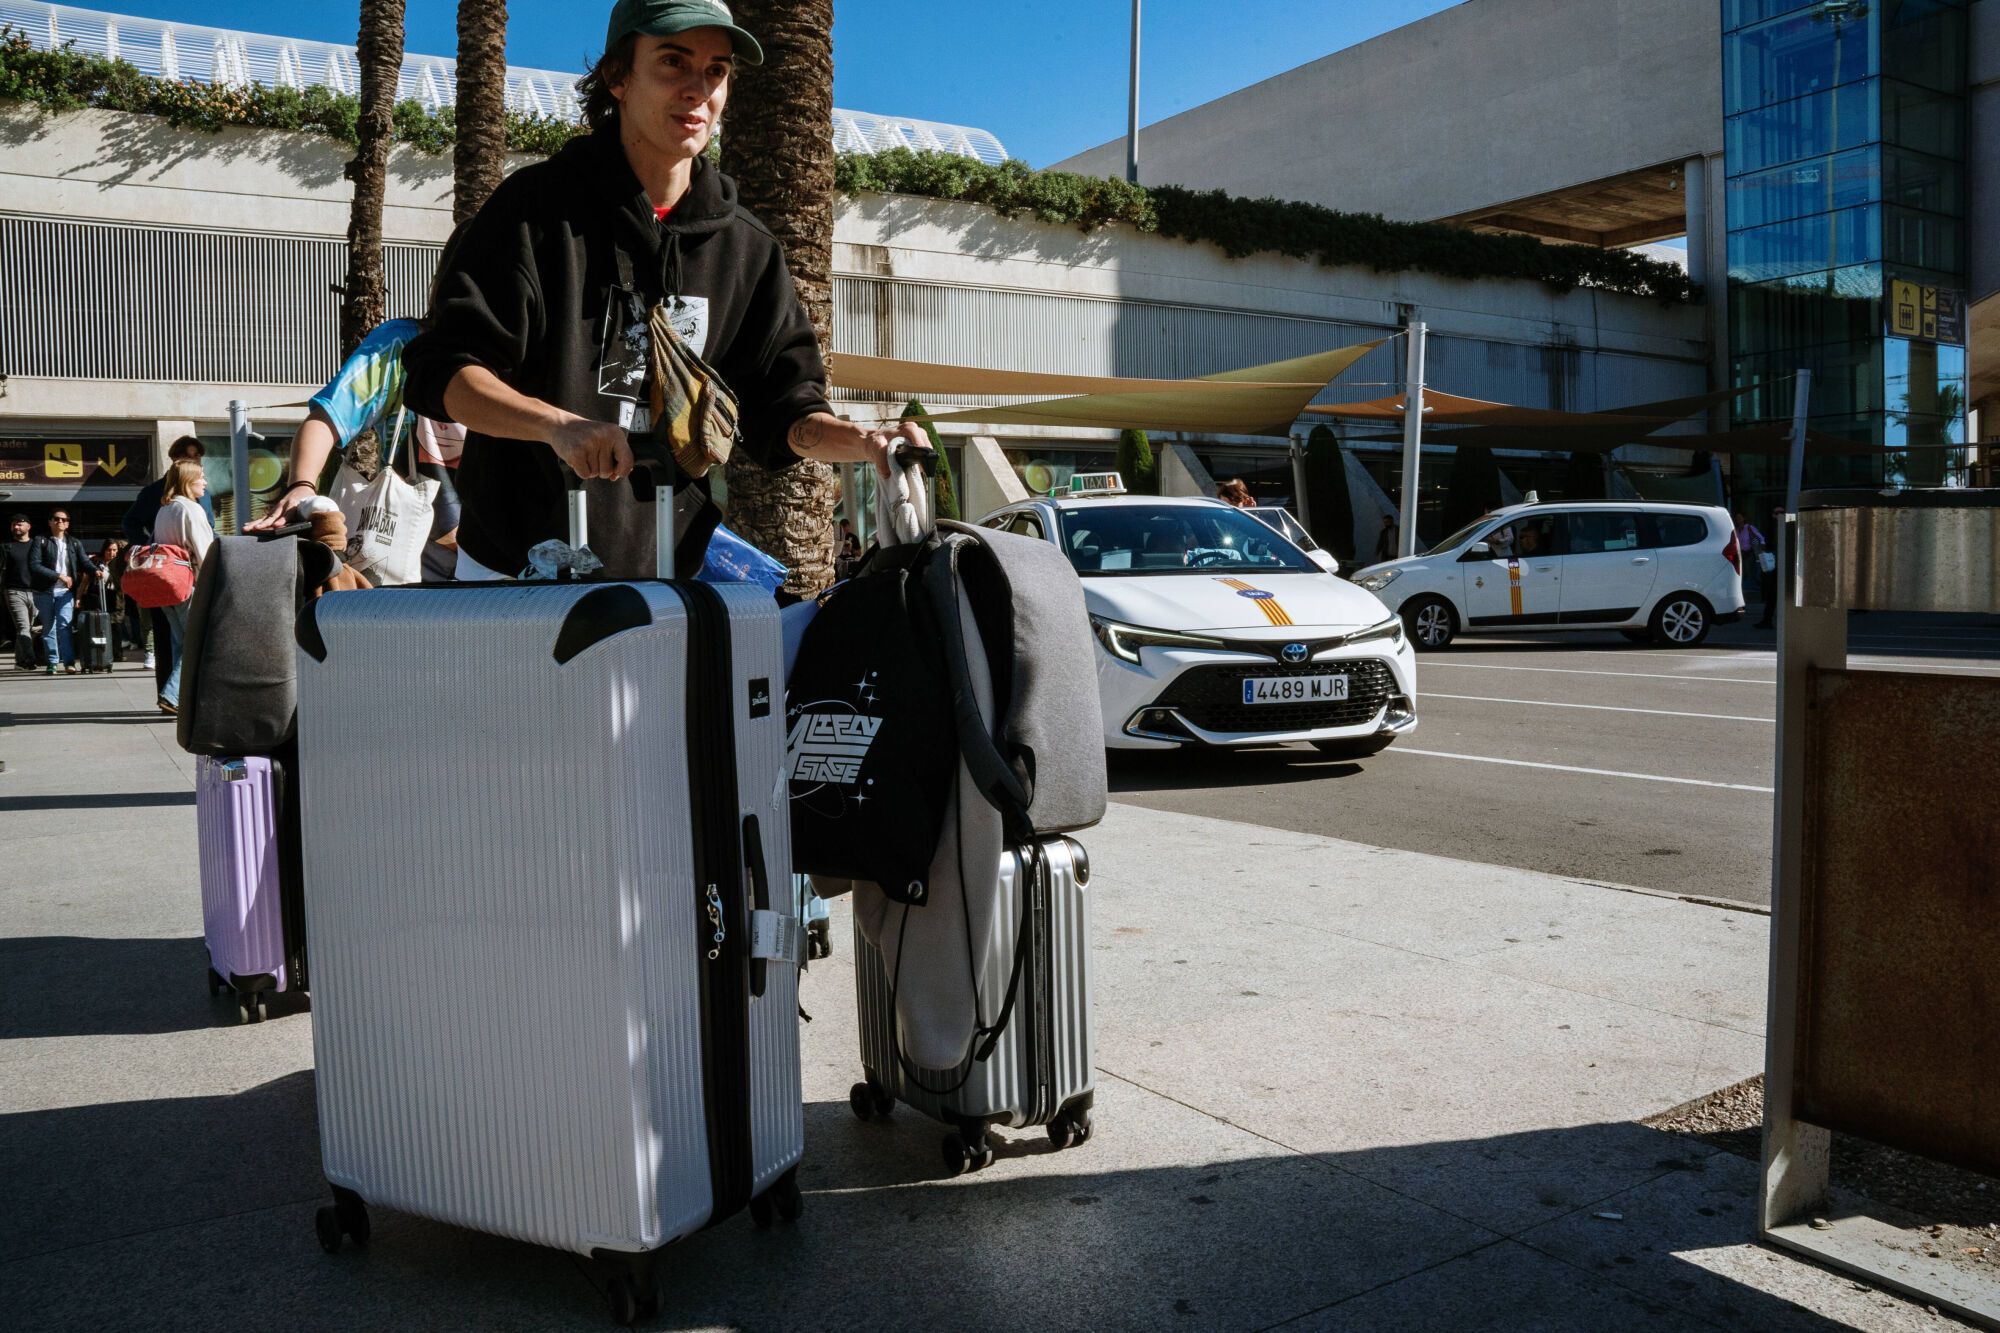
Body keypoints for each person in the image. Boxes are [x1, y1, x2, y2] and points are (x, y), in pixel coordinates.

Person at [402, 0, 928, 584]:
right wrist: (559, 427)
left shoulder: (747, 248)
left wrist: (865, 442)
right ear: (618, 77)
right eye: (673, 62)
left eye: (716, 70)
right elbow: (443, 373)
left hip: (670, 579)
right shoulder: (531, 212)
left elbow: (785, 411)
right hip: (513, 569)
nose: (697, 89)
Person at [123, 437, 214, 692]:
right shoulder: (178, 503)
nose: (194, 461)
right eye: (188, 456)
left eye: (197, 456)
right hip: (181, 577)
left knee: (179, 641)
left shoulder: (169, 505)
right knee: (191, 641)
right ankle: (173, 694)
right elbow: (203, 546)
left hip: (171, 578)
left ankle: (177, 696)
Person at [153, 459, 215, 714]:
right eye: (201, 477)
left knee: (181, 644)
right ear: (189, 480)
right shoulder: (191, 509)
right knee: (197, 644)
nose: (205, 482)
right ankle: (173, 695)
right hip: (189, 584)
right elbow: (206, 552)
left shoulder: (165, 509)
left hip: (166, 584)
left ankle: (183, 700)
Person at [29, 509, 99, 675]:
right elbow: (34, 564)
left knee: (65, 626)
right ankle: (52, 662)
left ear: (68, 523)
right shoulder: (40, 540)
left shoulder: (74, 543)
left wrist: (95, 570)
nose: (60, 522)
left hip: (65, 592)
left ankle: (68, 662)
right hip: (44, 591)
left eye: (64, 519)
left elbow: (84, 561)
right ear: (50, 522)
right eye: (56, 519)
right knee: (49, 628)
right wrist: (59, 575)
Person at [4, 512, 46, 670]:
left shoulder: (37, 545)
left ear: (28, 526)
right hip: (14, 591)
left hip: (35, 591)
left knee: (29, 628)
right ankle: (29, 659)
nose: (16, 527)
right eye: (14, 524)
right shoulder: (6, 547)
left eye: (20, 524)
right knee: (23, 626)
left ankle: (19, 661)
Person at [1755, 505, 1782, 629]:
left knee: (1774, 594)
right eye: (1776, 513)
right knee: (1771, 594)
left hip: (1782, 565)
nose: (1779, 515)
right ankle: (1767, 619)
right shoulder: (1771, 528)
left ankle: (1768, 619)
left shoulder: (1785, 526)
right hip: (1774, 565)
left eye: (1781, 512)